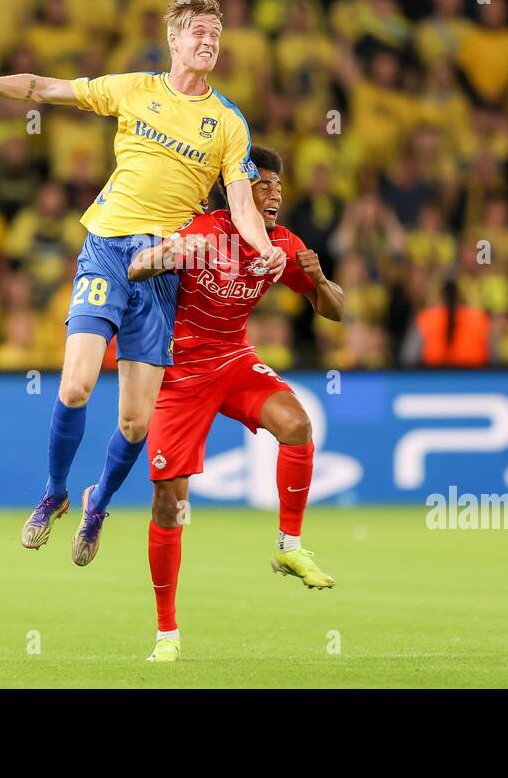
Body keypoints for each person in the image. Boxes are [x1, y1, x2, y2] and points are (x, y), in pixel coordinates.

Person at [0, 0, 287, 565]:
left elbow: (243, 207)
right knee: (76, 384)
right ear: (174, 40)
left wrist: (266, 249)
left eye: (216, 35)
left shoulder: (228, 123)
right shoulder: (134, 89)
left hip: (161, 266)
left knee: (135, 420)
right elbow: (43, 89)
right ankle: (53, 494)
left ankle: (97, 503)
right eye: (198, 32)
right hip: (106, 248)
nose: (209, 42)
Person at [124, 147, 345, 662]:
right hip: (179, 372)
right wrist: (161, 255)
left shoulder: (283, 246)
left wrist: (317, 278)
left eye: (279, 188)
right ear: (238, 190)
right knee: (170, 505)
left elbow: (335, 312)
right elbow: (136, 269)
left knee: (296, 424)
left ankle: (289, 548)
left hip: (234, 361)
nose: (274, 195)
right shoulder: (205, 233)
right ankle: (167, 632)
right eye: (263, 185)